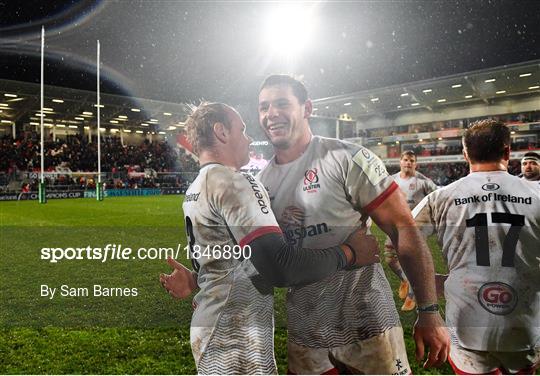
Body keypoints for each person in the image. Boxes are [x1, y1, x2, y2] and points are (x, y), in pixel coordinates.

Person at [159, 102, 380, 375]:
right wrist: (350, 253)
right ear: (221, 132)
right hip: (234, 335)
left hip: (214, 327)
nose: (249, 138)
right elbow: (280, 266)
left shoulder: (197, 187)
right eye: (242, 130)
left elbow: (227, 256)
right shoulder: (235, 181)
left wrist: (196, 279)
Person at [256, 74, 449, 374]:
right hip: (306, 333)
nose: (271, 114)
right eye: (264, 107)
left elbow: (403, 229)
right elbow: (267, 262)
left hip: (368, 324)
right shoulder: (260, 184)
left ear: (307, 108)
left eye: (282, 103)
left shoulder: (347, 158)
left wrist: (429, 312)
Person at [413, 119, 540, 374]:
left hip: (466, 322)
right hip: (526, 321)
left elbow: (399, 245)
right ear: (507, 152)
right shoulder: (536, 195)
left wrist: (425, 281)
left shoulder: (441, 197)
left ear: (465, 153)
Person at [385, 150, 438, 311]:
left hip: (416, 226)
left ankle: (412, 297)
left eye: (412, 161)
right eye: (406, 160)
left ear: (416, 164)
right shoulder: (392, 180)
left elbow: (437, 196)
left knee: (412, 259)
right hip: (396, 223)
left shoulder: (423, 181)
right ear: (400, 162)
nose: (408, 163)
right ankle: (405, 279)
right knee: (389, 256)